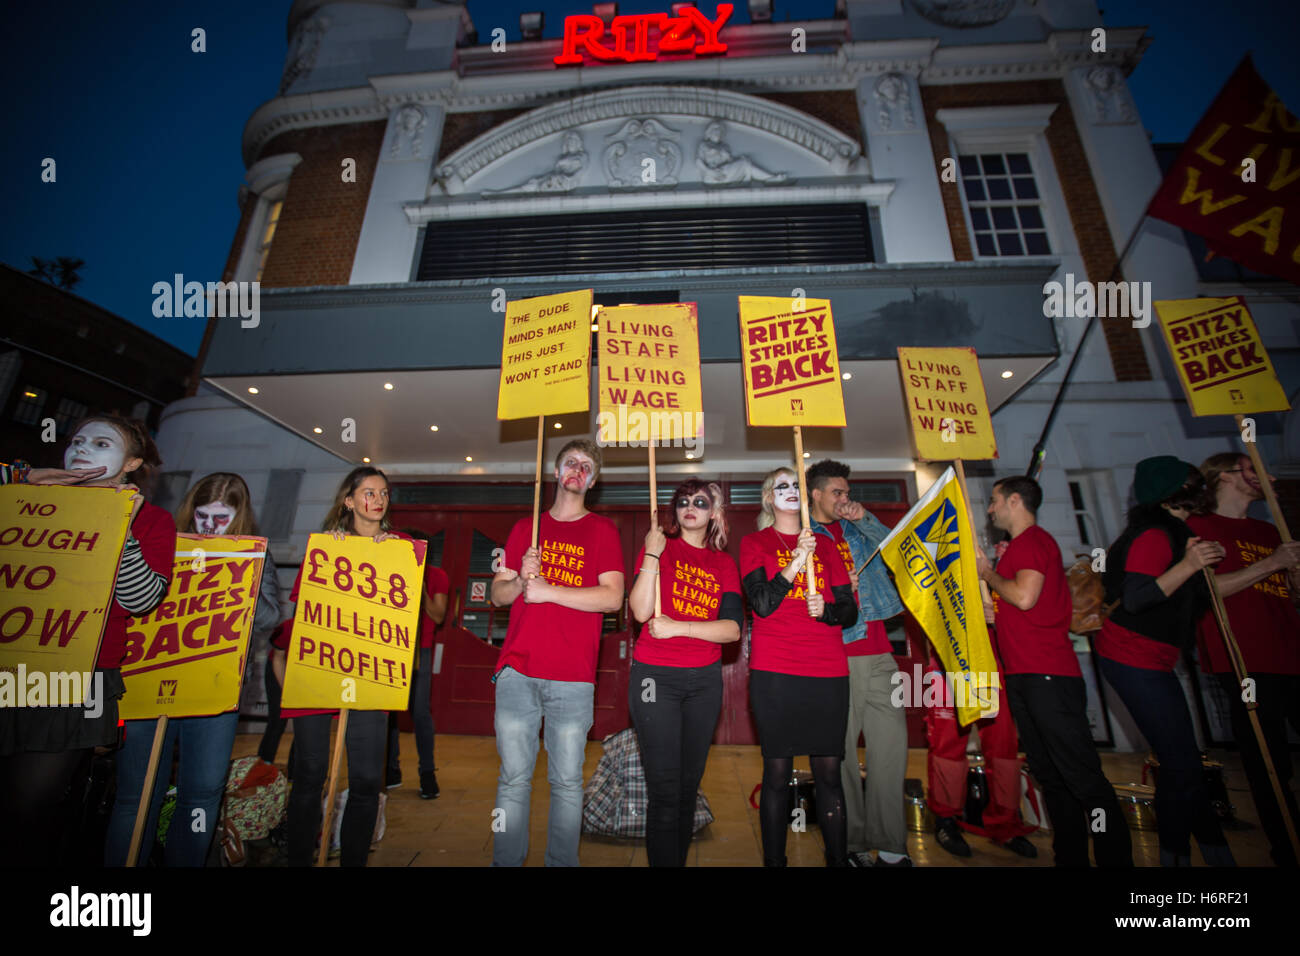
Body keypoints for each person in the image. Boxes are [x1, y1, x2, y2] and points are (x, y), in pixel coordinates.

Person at [0, 417, 176, 867]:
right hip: (12, 666)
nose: (81, 450)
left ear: (133, 463)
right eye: (77, 441)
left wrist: (122, 527)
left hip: (81, 679)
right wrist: (19, 478)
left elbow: (142, 600)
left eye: (101, 443)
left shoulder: (152, 521)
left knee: (28, 808)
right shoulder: (27, 499)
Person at [104, 473, 282, 866]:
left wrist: (238, 572)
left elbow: (270, 617)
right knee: (137, 793)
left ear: (238, 517)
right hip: (148, 680)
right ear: (190, 511)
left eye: (221, 518)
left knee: (202, 793)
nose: (209, 526)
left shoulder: (255, 552)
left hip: (215, 689)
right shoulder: (164, 543)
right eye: (203, 515)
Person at [976, 475, 1132, 867]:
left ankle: (1115, 859)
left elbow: (1025, 597)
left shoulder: (1032, 541)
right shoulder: (1019, 548)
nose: (991, 509)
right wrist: (995, 607)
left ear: (1014, 501)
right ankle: (1071, 856)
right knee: (1053, 777)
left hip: (1047, 675)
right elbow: (1025, 605)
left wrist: (987, 573)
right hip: (1027, 675)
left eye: (995, 501)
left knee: (1081, 778)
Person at [270, 466, 414, 867]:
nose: (378, 499)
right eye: (368, 492)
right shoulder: (325, 547)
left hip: (370, 671)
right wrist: (335, 558)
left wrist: (391, 556)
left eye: (384, 493)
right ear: (348, 501)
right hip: (320, 668)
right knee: (310, 776)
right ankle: (300, 858)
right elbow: (303, 613)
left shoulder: (400, 548)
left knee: (367, 780)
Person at [1095, 457, 1236, 866]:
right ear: (1178, 491)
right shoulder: (1155, 534)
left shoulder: (1173, 531)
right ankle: (1180, 857)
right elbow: (1139, 598)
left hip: (1152, 658)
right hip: (1131, 654)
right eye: (1194, 481)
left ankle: (1214, 853)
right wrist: (1190, 565)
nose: (1202, 485)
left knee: (1184, 763)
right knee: (1181, 763)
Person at [489, 439, 624, 866]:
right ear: (557, 471)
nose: (578, 469)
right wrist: (520, 579)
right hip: (517, 672)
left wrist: (549, 590)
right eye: (571, 462)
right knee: (512, 781)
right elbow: (499, 595)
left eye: (587, 466)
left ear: (593, 481)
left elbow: (612, 599)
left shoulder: (603, 531)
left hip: (572, 676)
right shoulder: (524, 529)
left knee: (566, 782)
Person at [741, 467, 857, 867]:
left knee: (829, 774)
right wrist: (794, 563)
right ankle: (775, 861)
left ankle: (837, 860)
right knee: (776, 774)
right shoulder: (754, 543)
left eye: (796, 485)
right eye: (781, 486)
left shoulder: (827, 545)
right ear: (769, 498)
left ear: (806, 498)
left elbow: (850, 611)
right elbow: (762, 604)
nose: (790, 491)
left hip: (827, 672)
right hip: (775, 672)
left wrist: (826, 612)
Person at [1190, 453, 1300, 866]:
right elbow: (1206, 590)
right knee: (1270, 768)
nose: (1267, 476)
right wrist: (1273, 563)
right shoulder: (1199, 529)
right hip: (1244, 661)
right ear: (1224, 477)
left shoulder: (1269, 530)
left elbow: (1287, 595)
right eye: (1254, 470)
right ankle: (1287, 848)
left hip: (1291, 651)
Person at [628, 479, 742, 866]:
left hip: (703, 683)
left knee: (686, 789)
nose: (689, 507)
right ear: (674, 511)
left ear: (714, 513)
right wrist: (651, 556)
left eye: (700, 502)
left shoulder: (723, 563)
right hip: (653, 678)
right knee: (663, 789)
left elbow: (732, 629)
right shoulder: (660, 549)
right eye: (682, 502)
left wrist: (680, 627)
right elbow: (641, 612)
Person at [805, 459, 912, 868]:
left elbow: (897, 552)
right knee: (842, 756)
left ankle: (890, 846)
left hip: (881, 654)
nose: (845, 500)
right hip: (835, 656)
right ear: (816, 494)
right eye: (837, 493)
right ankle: (849, 844)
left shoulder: (858, 528)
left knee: (890, 751)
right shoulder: (806, 537)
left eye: (848, 493)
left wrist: (865, 517)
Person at [385, 528, 449, 799]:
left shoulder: (437, 576)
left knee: (420, 713)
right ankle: (390, 769)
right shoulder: (388, 574)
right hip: (389, 647)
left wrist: (419, 589)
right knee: (386, 714)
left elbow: (438, 616)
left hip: (419, 651)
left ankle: (427, 773)